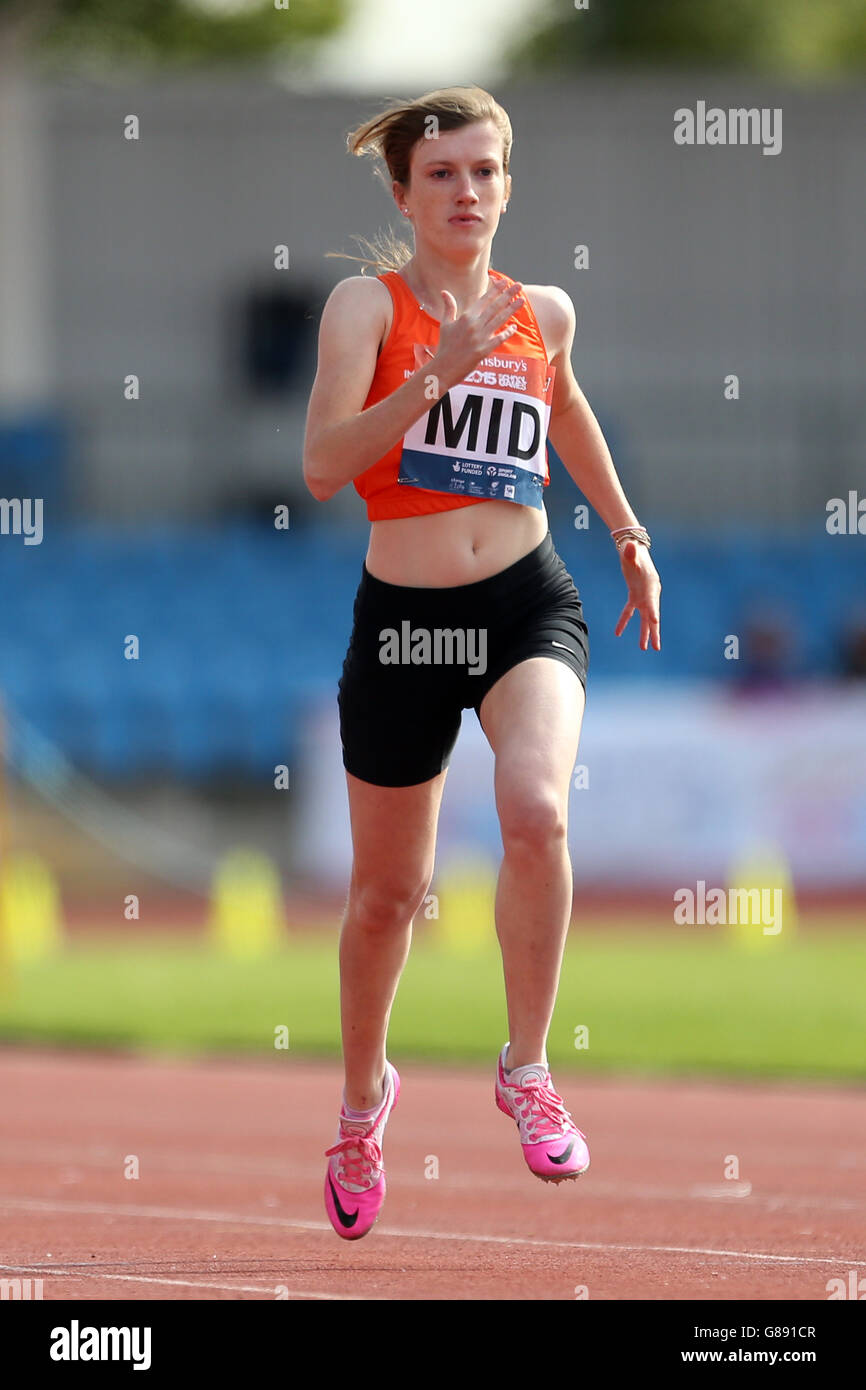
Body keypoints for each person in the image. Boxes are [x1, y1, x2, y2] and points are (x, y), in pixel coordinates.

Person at [303, 86, 661, 1241]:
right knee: (386, 897)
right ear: (403, 192)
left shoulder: (541, 310)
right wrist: (433, 373)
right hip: (405, 625)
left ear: (507, 183)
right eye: (443, 173)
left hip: (522, 602)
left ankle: (526, 1066)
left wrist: (625, 533)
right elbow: (321, 465)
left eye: (485, 170)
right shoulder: (366, 306)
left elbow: (567, 410)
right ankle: (362, 1105)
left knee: (536, 811)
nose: (467, 192)